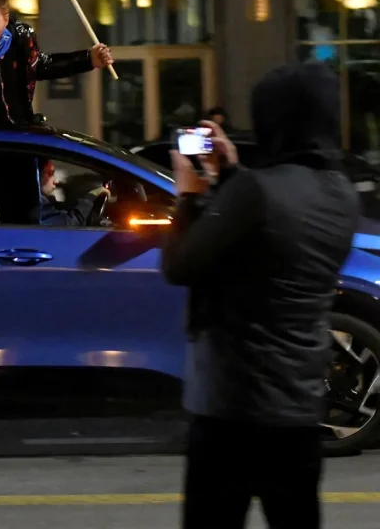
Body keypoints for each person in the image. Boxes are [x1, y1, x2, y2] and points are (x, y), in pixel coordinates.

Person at [160, 62, 360, 529]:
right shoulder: (342, 194)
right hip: (298, 409)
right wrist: (232, 173)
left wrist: (187, 195)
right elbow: (272, 245)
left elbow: (180, 265)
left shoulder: (255, 191)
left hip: (231, 407)